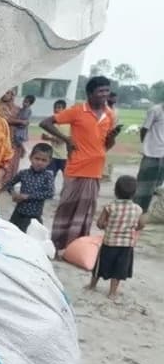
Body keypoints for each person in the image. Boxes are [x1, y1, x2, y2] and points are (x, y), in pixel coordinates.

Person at [40, 76, 117, 251]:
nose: (105, 94)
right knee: (66, 209)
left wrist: (112, 138)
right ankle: (57, 245)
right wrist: (66, 139)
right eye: (100, 91)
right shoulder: (77, 111)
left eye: (107, 90)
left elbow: (107, 145)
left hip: (95, 170)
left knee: (85, 213)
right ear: (90, 93)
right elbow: (45, 123)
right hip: (76, 168)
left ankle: (76, 248)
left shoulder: (110, 115)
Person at [89, 175, 145, 300]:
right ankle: (112, 292)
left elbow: (99, 224)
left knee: (100, 265)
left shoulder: (110, 206)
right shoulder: (137, 209)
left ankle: (92, 285)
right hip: (126, 246)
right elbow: (141, 224)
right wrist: (134, 228)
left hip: (109, 243)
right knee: (119, 269)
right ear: (134, 193)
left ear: (115, 191)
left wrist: (106, 225)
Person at [3, 142, 55, 232]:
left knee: (31, 237)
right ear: (30, 158)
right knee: (13, 234)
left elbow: (50, 193)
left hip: (34, 217)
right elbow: (9, 184)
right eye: (37, 158)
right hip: (18, 214)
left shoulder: (48, 176)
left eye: (44, 160)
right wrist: (13, 194)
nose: (39, 162)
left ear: (49, 162)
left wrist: (27, 196)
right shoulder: (23, 173)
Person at [133, 102, 164, 212]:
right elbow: (144, 129)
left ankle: (145, 211)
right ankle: (136, 210)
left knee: (156, 186)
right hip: (151, 153)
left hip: (162, 154)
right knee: (143, 185)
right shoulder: (155, 110)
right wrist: (145, 145)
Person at [42, 99, 68, 186]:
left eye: (59, 108)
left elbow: (63, 140)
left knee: (67, 178)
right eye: (55, 107)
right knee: (50, 176)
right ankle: (49, 191)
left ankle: (66, 192)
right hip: (53, 155)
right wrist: (51, 138)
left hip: (65, 156)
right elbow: (44, 137)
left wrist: (50, 138)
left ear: (64, 109)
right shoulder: (51, 124)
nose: (56, 110)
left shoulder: (68, 124)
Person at [0, 89, 24, 178]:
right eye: (5, 92)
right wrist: (20, 121)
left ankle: (10, 182)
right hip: (1, 139)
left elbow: (24, 125)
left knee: (14, 162)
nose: (5, 94)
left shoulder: (18, 109)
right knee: (2, 161)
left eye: (8, 93)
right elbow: (4, 119)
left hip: (15, 139)